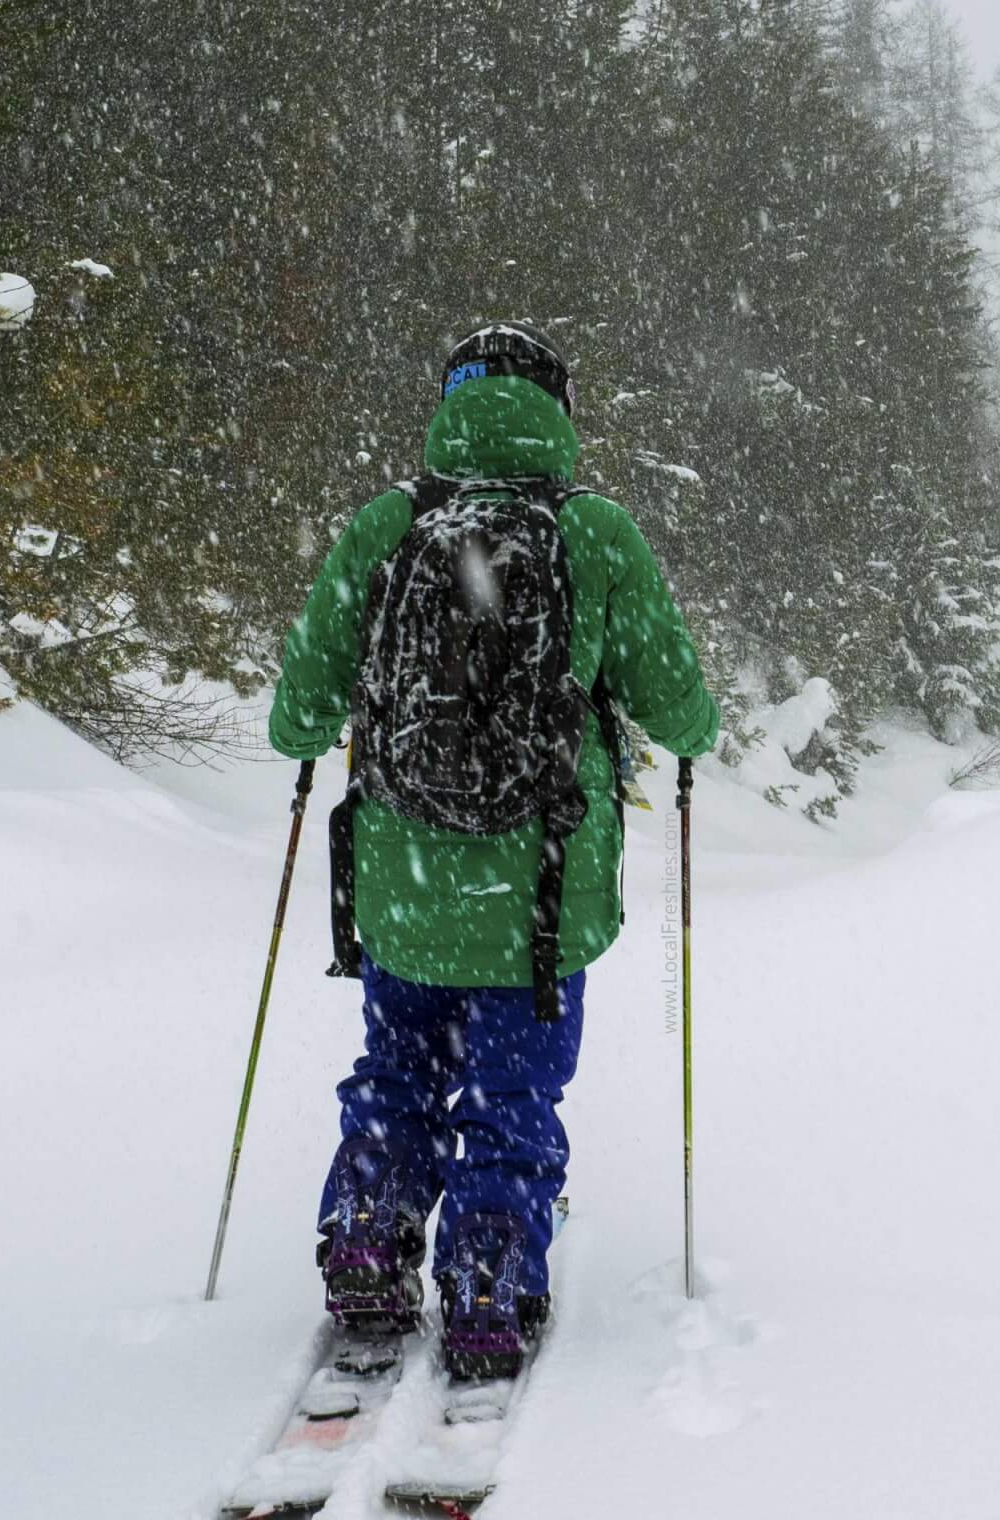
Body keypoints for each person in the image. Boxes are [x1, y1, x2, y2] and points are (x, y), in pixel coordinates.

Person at [268, 322, 719, 1379]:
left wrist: (310, 743)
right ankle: (488, 1282)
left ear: (449, 401)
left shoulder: (388, 523)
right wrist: (695, 738)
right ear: (559, 410)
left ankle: (370, 1247)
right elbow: (675, 703)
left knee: (395, 1075)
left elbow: (299, 711)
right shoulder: (595, 534)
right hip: (540, 900)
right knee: (513, 1096)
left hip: (404, 890)